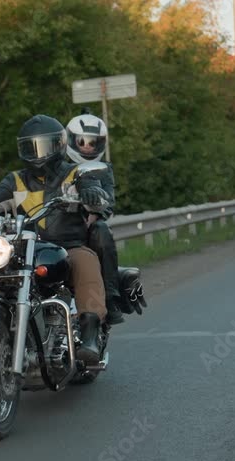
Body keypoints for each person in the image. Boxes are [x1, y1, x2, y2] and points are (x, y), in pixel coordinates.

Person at [0, 114, 112, 363]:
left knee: (86, 262)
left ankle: (90, 335)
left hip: (67, 247)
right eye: (31, 147)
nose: (38, 154)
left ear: (59, 145)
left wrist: (92, 193)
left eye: (45, 146)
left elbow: (92, 189)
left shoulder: (75, 174)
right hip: (23, 249)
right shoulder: (15, 180)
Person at [64, 110, 131, 325]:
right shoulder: (57, 166)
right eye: (82, 141)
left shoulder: (104, 170)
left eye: (93, 143)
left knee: (102, 230)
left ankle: (110, 297)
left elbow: (109, 201)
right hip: (56, 225)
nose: (87, 147)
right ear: (70, 140)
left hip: (85, 228)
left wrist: (95, 212)